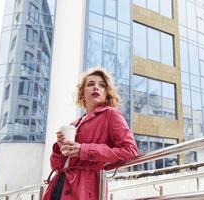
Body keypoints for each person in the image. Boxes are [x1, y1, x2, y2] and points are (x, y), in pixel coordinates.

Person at [43, 67, 139, 200]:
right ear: (82, 92)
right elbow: (56, 166)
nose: (96, 87)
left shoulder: (111, 114)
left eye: (101, 85)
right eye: (90, 84)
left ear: (106, 93)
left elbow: (130, 151)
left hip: (84, 190)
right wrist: (60, 148)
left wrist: (83, 150)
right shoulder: (74, 124)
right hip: (58, 186)